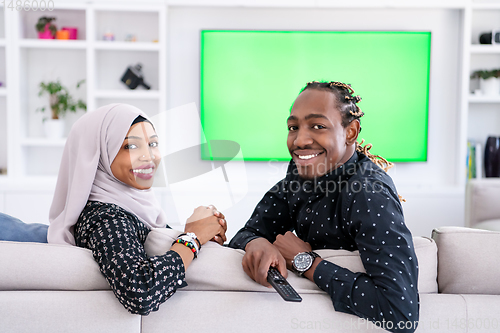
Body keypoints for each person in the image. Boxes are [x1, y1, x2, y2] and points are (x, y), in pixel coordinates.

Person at [229, 81, 419, 332]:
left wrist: (305, 261)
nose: (299, 140)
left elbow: (400, 313)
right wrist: (257, 242)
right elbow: (244, 235)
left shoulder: (367, 194)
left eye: (318, 126)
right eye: (293, 127)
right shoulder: (297, 179)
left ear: (350, 132)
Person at [48, 103, 227, 315]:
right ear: (97, 154)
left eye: (153, 144)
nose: (148, 156)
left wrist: (207, 236)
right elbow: (141, 293)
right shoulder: (105, 218)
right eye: (131, 147)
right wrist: (193, 238)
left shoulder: (138, 209)